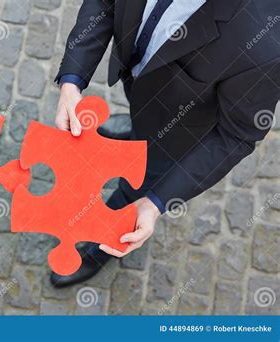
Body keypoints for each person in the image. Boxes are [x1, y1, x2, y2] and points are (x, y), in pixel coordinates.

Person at [52, 0, 280, 287]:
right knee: (140, 114)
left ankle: (99, 248)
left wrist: (155, 203)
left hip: (178, 133)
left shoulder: (264, 45)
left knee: (134, 189)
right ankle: (135, 128)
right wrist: (72, 81)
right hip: (146, 88)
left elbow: (236, 135)